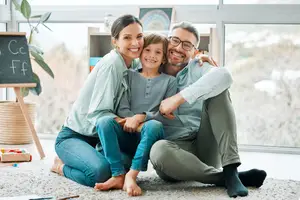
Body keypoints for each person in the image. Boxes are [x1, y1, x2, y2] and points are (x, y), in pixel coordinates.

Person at [149, 21, 267, 198]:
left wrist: (177, 99)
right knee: (158, 150)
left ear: (195, 51)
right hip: (172, 157)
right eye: (174, 40)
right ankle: (225, 178)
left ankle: (231, 167)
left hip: (205, 147)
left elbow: (224, 76)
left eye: (187, 45)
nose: (179, 48)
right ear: (166, 41)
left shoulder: (197, 67)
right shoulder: (149, 68)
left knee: (218, 90)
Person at [51, 14, 144, 187]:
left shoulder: (132, 63)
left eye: (139, 36)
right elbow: (98, 114)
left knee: (127, 163)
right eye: (127, 38)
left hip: (98, 139)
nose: (135, 43)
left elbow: (160, 56)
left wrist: (198, 59)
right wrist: (129, 121)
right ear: (115, 41)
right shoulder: (112, 65)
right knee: (100, 173)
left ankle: (91, 157)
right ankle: (60, 166)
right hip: (74, 136)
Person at [94, 33, 177, 196]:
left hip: (151, 134)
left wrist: (141, 118)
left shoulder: (170, 82)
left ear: (164, 58)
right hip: (127, 129)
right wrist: (132, 121)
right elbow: (122, 106)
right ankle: (118, 174)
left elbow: (166, 114)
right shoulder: (128, 75)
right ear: (140, 52)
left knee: (154, 125)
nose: (152, 55)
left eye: (158, 52)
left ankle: (131, 176)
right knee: (104, 121)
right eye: (147, 50)